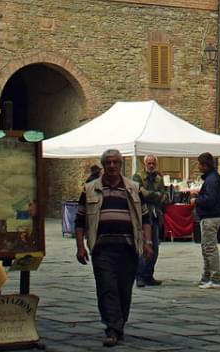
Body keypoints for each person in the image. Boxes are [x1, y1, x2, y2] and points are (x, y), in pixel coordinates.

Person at [76, 149, 151, 348]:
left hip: (128, 247)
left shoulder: (133, 188)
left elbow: (145, 217)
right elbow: (80, 220)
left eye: (115, 162)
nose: (111, 166)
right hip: (102, 248)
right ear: (103, 165)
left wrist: (147, 242)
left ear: (120, 164)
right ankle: (112, 328)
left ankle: (119, 324)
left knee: (124, 289)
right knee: (107, 288)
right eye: (108, 163)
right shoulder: (90, 189)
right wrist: (80, 247)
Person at [190, 151, 220, 289]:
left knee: (209, 248)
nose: (198, 167)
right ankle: (207, 276)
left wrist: (196, 200)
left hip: (210, 217)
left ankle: (215, 278)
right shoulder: (212, 178)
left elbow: (210, 200)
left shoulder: (212, 179)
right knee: (206, 248)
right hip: (210, 216)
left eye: (199, 164)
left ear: (205, 165)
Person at [132, 154, 166, 287]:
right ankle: (139, 276)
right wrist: (154, 195)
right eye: (149, 163)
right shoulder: (138, 177)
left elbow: (163, 196)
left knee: (155, 247)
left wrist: (152, 195)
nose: (151, 166)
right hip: (142, 215)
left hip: (156, 215)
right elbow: (140, 193)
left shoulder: (159, 178)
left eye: (153, 163)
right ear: (145, 164)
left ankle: (148, 274)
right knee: (143, 245)